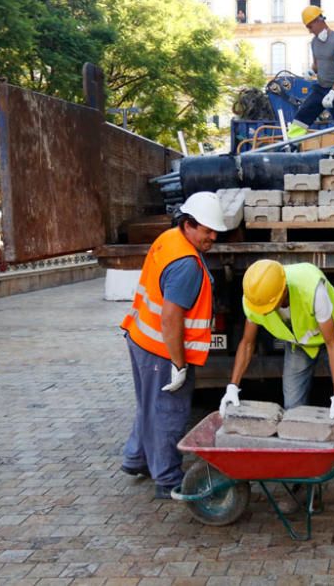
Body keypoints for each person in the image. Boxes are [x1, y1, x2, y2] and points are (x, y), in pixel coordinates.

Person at [221, 259, 334, 507]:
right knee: (293, 410)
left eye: (271, 305)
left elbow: (332, 344)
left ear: (283, 291)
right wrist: (232, 387)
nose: (266, 311)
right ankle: (302, 482)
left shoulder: (312, 288)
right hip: (299, 342)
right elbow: (247, 343)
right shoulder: (255, 298)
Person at [119, 192, 230, 500]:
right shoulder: (187, 265)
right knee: (169, 413)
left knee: (149, 406)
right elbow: (171, 320)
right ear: (189, 224)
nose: (213, 237)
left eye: (214, 230)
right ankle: (168, 480)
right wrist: (179, 365)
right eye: (207, 230)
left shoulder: (170, 238)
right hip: (160, 349)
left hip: (141, 337)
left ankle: (137, 459)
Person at [286, 5, 334, 144]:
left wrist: (333, 92)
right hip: (321, 88)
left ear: (319, 20)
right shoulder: (314, 42)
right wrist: (311, 71)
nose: (310, 31)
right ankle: (291, 144)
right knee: (301, 117)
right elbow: (317, 65)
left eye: (310, 27)